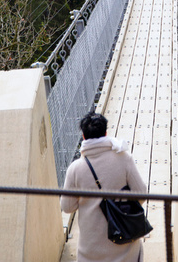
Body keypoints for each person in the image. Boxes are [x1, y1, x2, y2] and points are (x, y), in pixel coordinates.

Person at [61, 111, 148, 262]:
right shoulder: (123, 158)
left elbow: (67, 207)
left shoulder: (75, 169)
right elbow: (141, 193)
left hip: (90, 253)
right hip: (125, 247)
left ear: (83, 136)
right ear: (106, 132)